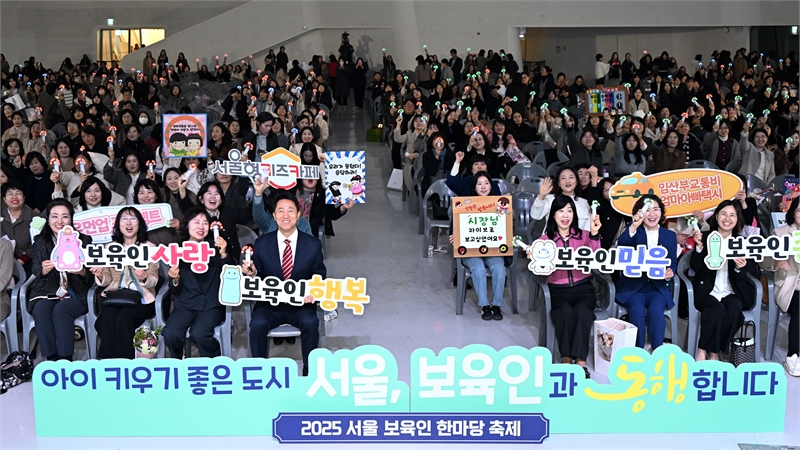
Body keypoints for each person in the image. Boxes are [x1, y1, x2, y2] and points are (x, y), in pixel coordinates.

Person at [243, 191, 326, 376]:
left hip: (300, 304)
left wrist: (313, 291)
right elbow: (258, 275)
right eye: (280, 211)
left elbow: (319, 274)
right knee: (257, 324)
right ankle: (259, 371)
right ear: (274, 215)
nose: (285, 215)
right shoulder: (262, 244)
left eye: (290, 210)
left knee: (311, 322)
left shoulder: (312, 244)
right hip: (269, 304)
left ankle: (309, 370)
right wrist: (252, 273)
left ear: (298, 214)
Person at [532, 194, 602, 378]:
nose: (565, 215)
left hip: (583, 287)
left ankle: (580, 362)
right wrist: (537, 261)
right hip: (558, 289)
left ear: (574, 214)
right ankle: (565, 358)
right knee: (564, 312)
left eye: (569, 211)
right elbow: (542, 274)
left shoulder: (584, 235)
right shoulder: (545, 240)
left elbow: (596, 258)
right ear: (553, 215)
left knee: (582, 312)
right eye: (561, 211)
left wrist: (595, 235)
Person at [28, 199, 93, 361]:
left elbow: (91, 275)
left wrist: (82, 271)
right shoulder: (40, 241)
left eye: (64, 216)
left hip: (76, 291)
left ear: (71, 219)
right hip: (47, 289)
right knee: (41, 310)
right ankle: (51, 358)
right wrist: (44, 269)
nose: (59, 221)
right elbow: (36, 269)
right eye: (54, 216)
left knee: (61, 310)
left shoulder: (83, 240)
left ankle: (65, 358)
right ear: (48, 219)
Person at [162, 208, 232, 358]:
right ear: (187, 225)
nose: (201, 227)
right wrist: (175, 279)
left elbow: (232, 274)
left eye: (205, 223)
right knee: (171, 333)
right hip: (186, 304)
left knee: (199, 334)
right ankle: (178, 359)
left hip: (212, 304)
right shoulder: (178, 250)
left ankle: (214, 362)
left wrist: (224, 254)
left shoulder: (216, 247)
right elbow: (174, 289)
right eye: (196, 222)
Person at [690, 200, 755, 361]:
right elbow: (695, 267)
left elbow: (743, 276)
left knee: (734, 311)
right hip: (707, 291)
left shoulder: (741, 242)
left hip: (731, 291)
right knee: (716, 310)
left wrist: (739, 268)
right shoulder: (706, 237)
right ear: (717, 216)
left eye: (732, 215)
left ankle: (710, 349)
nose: (727, 219)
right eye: (724, 214)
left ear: (738, 219)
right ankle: (708, 352)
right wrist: (699, 248)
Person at [92, 207, 159, 359]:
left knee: (123, 318)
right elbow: (107, 280)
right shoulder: (110, 248)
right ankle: (109, 362)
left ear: (139, 223)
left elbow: (154, 279)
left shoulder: (149, 248)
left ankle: (122, 362)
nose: (128, 223)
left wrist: (144, 278)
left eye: (133, 219)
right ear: (118, 224)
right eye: (124, 219)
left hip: (142, 299)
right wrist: (100, 275)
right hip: (115, 297)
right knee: (106, 319)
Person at [615, 195, 678, 350]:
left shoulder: (670, 236)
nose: (652, 214)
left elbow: (672, 261)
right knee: (637, 310)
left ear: (661, 213)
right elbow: (621, 245)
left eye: (656, 209)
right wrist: (633, 226)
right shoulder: (634, 230)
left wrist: (670, 271)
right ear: (639, 213)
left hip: (658, 287)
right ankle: (638, 352)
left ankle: (657, 351)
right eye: (647, 210)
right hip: (633, 287)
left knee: (656, 310)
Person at [449, 172, 507, 321]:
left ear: (491, 186)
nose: (483, 187)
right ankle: (484, 305)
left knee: (499, 267)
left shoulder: (499, 205)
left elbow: (505, 228)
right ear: (474, 187)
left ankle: (496, 304)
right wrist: (456, 236)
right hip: (470, 250)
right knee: (478, 268)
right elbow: (455, 229)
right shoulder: (464, 205)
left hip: (492, 249)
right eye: (479, 183)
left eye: (486, 183)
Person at [762, 197, 800, 376]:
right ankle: (793, 356)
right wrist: (777, 262)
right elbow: (764, 260)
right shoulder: (780, 233)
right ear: (793, 213)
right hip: (790, 286)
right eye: (799, 211)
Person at [532, 166, 591, 231]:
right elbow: (535, 216)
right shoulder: (550, 199)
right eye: (563, 178)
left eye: (571, 177)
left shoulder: (585, 203)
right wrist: (541, 195)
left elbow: (587, 230)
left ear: (577, 181)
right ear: (559, 183)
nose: (567, 181)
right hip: (551, 237)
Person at [1, 180, 34, 273]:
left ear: (24, 197)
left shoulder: (35, 218)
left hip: (27, 264)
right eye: (10, 194)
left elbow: (38, 242)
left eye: (18, 193)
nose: (14, 197)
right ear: (4, 199)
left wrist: (22, 260)